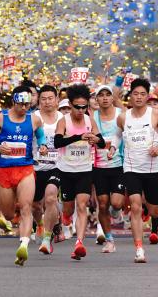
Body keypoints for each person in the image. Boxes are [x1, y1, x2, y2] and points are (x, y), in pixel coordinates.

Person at [0, 83, 47, 265]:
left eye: (27, 105)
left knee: (26, 207)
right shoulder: (0, 119)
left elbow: (41, 136)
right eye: (21, 105)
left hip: (25, 169)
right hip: (4, 171)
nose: (24, 108)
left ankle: (24, 245)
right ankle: (12, 223)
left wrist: (43, 145)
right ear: (13, 102)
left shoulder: (34, 120)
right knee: (9, 214)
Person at [118, 77, 158, 263]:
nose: (139, 97)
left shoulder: (156, 114)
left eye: (143, 94)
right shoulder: (123, 117)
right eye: (135, 94)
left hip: (151, 168)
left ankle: (155, 220)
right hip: (131, 168)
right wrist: (112, 148)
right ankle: (139, 249)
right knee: (135, 205)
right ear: (130, 96)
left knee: (154, 209)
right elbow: (117, 137)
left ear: (147, 96)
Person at [54, 83, 105, 260]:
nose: (81, 110)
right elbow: (57, 142)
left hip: (84, 169)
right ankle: (65, 218)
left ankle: (79, 243)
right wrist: (78, 137)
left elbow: (102, 142)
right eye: (77, 107)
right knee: (68, 209)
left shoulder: (90, 121)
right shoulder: (64, 121)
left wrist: (95, 139)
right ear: (70, 104)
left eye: (84, 107)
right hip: (66, 170)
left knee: (82, 205)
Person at [92, 83, 125, 252]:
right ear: (96, 99)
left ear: (112, 98)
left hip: (119, 164)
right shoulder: (92, 117)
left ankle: (117, 210)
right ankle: (109, 240)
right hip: (99, 166)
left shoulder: (121, 114)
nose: (105, 98)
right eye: (101, 95)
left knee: (116, 203)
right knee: (103, 204)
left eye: (108, 95)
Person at [32, 85, 62, 254]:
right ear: (38, 101)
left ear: (57, 100)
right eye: (43, 99)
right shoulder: (33, 118)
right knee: (35, 206)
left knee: (50, 198)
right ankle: (41, 224)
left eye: (51, 98)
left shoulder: (63, 119)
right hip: (35, 167)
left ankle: (47, 238)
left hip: (57, 166)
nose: (47, 102)